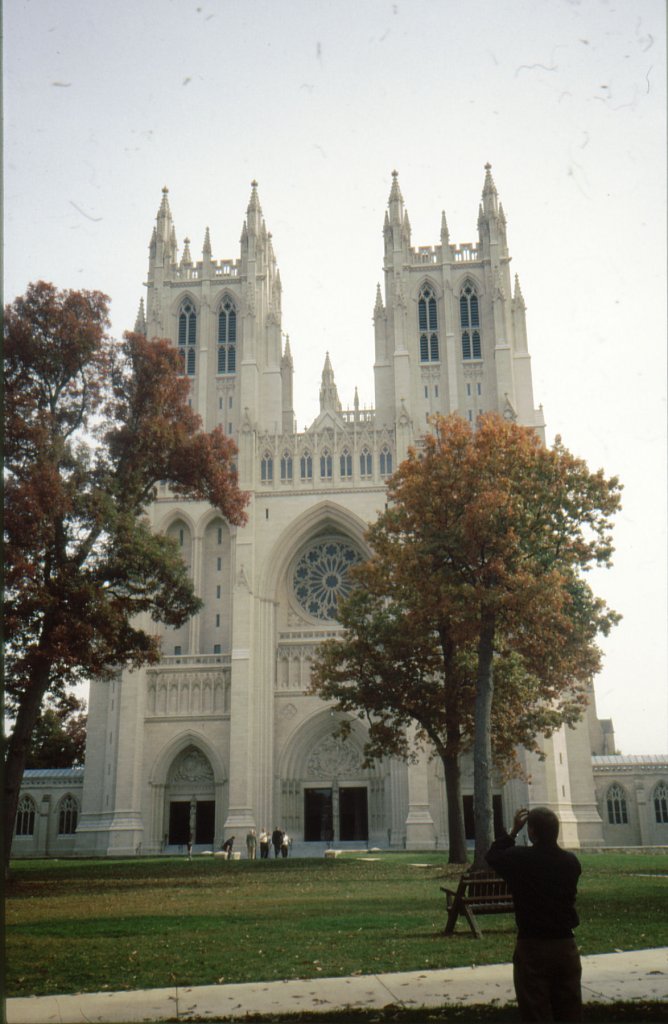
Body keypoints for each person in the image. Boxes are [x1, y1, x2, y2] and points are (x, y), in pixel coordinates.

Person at [486, 807, 583, 1023]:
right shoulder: (571, 862)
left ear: (531, 832)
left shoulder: (520, 859)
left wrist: (512, 832)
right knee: (570, 1012)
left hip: (533, 947)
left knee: (536, 1013)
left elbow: (492, 856)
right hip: (566, 946)